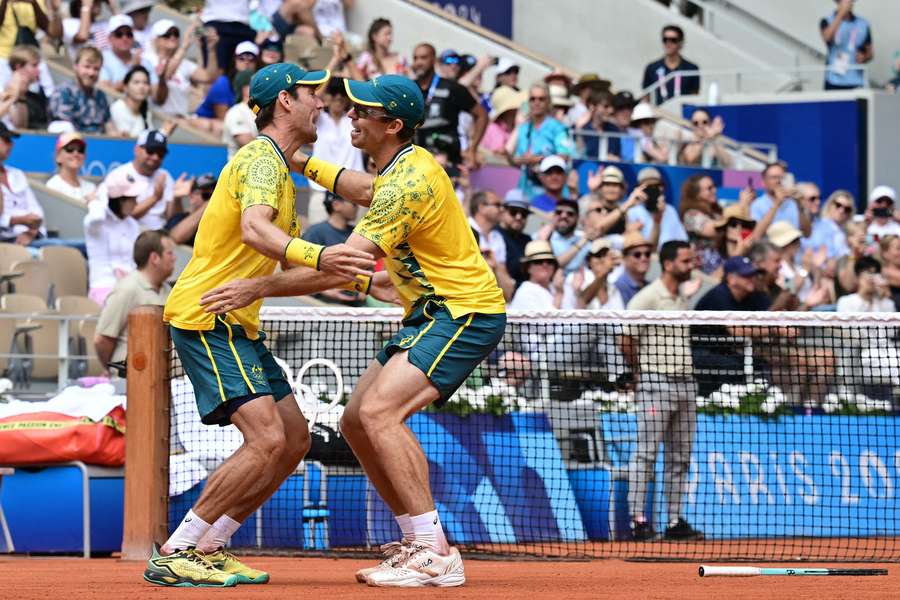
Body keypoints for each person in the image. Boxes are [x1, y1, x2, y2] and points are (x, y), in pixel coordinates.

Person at [200, 73, 507, 587]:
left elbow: (341, 266)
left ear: (393, 125)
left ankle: (435, 551)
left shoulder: (405, 185)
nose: (350, 115)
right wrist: (297, 159)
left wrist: (258, 288)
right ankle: (415, 541)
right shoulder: (402, 166)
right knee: (356, 421)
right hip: (429, 314)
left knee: (380, 413)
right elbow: (360, 187)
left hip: (464, 312)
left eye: (364, 112)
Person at [149, 63, 375, 588]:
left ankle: (211, 544)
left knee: (294, 439)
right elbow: (255, 231)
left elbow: (283, 271)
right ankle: (177, 550)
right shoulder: (258, 160)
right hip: (209, 317)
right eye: (310, 95)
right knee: (267, 439)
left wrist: (364, 282)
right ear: (284, 104)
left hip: (240, 323)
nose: (322, 103)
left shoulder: (280, 166)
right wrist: (325, 257)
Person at [621, 240, 703, 542]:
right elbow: (626, 339)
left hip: (686, 384)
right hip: (656, 384)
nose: (690, 265)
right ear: (668, 264)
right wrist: (640, 372)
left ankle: (674, 520)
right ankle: (638, 520)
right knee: (646, 454)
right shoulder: (645, 299)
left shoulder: (681, 298)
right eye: (685, 261)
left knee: (680, 457)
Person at [94, 230, 175, 374]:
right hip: (132, 380)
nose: (174, 258)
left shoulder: (167, 290)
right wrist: (114, 370)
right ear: (155, 258)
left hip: (162, 379)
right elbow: (102, 340)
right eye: (170, 253)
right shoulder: (127, 289)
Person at [411, 43, 487, 168]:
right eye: (415, 58)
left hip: (448, 163)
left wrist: (472, 149)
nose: (418, 62)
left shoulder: (452, 88)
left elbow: (482, 115)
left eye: (423, 58)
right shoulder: (409, 89)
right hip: (417, 163)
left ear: (434, 60)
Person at [308, 77, 363, 225]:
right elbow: (312, 98)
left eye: (342, 93)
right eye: (333, 92)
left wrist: (348, 61)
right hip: (321, 190)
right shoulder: (319, 119)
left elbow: (365, 95)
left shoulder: (355, 120)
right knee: (317, 244)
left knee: (356, 245)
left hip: (353, 191)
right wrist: (335, 60)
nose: (338, 97)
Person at [84, 168, 142, 304]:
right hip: (103, 290)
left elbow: (134, 261)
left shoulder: (132, 224)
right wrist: (96, 199)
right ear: (120, 201)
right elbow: (97, 216)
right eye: (132, 199)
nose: (136, 203)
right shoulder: (95, 221)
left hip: (129, 288)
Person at [145, 18, 219, 121]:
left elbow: (209, 77)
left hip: (180, 120)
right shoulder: (147, 59)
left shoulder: (183, 63)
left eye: (176, 34)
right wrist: (184, 46)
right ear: (155, 39)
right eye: (167, 34)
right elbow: (164, 75)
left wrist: (211, 50)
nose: (173, 37)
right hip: (158, 118)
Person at [103, 130, 177, 231]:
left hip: (160, 233)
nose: (155, 157)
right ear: (136, 149)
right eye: (150, 151)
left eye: (160, 154)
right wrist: (155, 198)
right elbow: (123, 217)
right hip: (129, 233)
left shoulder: (165, 176)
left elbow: (170, 219)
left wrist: (176, 197)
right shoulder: (119, 176)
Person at [49, 45, 118, 134]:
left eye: (96, 69)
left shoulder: (100, 96)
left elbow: (109, 126)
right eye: (87, 67)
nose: (91, 73)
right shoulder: (64, 92)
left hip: (100, 144)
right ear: (75, 66)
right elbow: (63, 129)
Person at [468, 189, 515, 301]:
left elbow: (507, 292)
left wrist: (495, 266)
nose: (502, 209)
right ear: (482, 207)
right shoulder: (464, 229)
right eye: (497, 205)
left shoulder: (497, 237)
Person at [626, 167, 687, 248]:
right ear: (639, 189)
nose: (652, 190)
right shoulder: (632, 212)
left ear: (662, 188)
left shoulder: (670, 210)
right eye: (648, 187)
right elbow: (646, 250)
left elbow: (683, 241)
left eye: (656, 186)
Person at [99, 14, 159, 95]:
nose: (124, 38)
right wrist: (133, 69)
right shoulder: (101, 58)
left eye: (129, 34)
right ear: (110, 38)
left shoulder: (144, 62)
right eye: (119, 34)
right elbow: (105, 91)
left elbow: (156, 93)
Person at [641, 24, 700, 105]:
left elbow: (694, 97)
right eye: (665, 39)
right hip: (659, 114)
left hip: (682, 114)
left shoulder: (691, 68)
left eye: (673, 40)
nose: (668, 43)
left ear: (681, 42)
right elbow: (646, 98)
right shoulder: (652, 68)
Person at [821, 0, 872, 90]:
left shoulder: (863, 24)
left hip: (856, 80)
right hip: (834, 80)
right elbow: (827, 37)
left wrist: (864, 57)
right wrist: (841, 14)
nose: (849, 3)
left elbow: (870, 53)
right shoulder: (827, 20)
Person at [750, 163, 811, 236]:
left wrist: (799, 206)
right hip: (769, 246)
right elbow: (756, 235)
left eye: (782, 177)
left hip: (794, 246)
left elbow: (807, 234)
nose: (778, 181)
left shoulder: (793, 203)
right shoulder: (757, 205)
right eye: (774, 177)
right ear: (763, 182)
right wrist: (777, 203)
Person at [562, 239, 624, 310]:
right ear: (588, 260)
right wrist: (603, 273)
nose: (602, 260)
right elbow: (582, 303)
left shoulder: (613, 287)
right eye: (598, 255)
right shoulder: (575, 277)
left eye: (606, 255)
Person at [537, 197, 591, 275]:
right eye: (559, 212)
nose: (564, 216)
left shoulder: (586, 242)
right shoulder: (541, 237)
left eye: (570, 214)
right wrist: (544, 241)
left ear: (578, 218)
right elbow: (552, 266)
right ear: (553, 215)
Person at [2, 44, 49, 130]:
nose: (39, 70)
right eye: (34, 65)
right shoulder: (4, 91)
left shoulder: (36, 96)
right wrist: (18, 96)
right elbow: (20, 127)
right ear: (18, 67)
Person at [509, 240, 563, 310]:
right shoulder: (526, 291)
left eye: (549, 261)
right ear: (528, 267)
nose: (545, 264)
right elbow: (547, 320)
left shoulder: (557, 287)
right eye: (538, 261)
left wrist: (578, 295)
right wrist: (559, 294)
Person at [165, 173, 215, 246]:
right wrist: (208, 204)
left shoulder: (217, 221)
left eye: (214, 195)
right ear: (192, 197)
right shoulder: (182, 218)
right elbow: (176, 237)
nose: (212, 199)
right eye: (206, 196)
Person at [46, 131, 96, 203]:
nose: (76, 153)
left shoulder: (90, 187)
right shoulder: (53, 186)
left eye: (80, 150)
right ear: (58, 157)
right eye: (70, 149)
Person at [803, 189, 852, 260]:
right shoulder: (818, 226)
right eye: (838, 205)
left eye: (847, 209)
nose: (841, 211)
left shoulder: (847, 231)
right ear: (830, 204)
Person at [498, 189, 532, 288]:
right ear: (503, 211)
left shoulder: (527, 240)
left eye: (524, 214)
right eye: (513, 212)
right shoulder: (493, 235)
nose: (518, 217)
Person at [109, 65, 155, 137]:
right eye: (136, 82)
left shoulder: (147, 112)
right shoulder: (117, 108)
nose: (141, 87)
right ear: (125, 87)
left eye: (145, 83)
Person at [479, 85, 524, 155]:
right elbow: (501, 157)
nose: (519, 108)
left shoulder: (513, 126)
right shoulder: (493, 129)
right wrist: (518, 128)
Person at [221, 69, 256, 159]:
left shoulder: (261, 110)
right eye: (256, 84)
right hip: (240, 169)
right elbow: (250, 145)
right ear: (245, 89)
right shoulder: (236, 112)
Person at [615, 232, 653, 306]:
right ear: (624, 258)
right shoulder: (618, 288)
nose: (643, 258)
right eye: (637, 255)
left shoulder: (650, 286)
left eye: (647, 254)